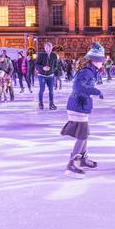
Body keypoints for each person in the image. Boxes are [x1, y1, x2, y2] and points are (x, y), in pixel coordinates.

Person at [61, 42, 105, 178]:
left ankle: (83, 158)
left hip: (80, 106)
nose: (103, 63)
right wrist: (95, 90)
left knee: (84, 134)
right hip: (77, 106)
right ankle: (72, 164)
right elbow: (78, 87)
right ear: (95, 61)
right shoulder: (87, 72)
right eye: (101, 60)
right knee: (82, 135)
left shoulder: (91, 71)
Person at [36, 42, 58, 110]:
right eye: (45, 47)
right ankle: (41, 103)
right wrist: (43, 68)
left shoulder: (54, 55)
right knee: (42, 89)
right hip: (41, 75)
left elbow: (56, 66)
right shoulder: (41, 55)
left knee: (51, 90)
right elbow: (36, 65)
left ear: (51, 47)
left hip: (50, 75)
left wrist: (51, 69)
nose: (46, 48)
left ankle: (51, 103)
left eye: (48, 47)